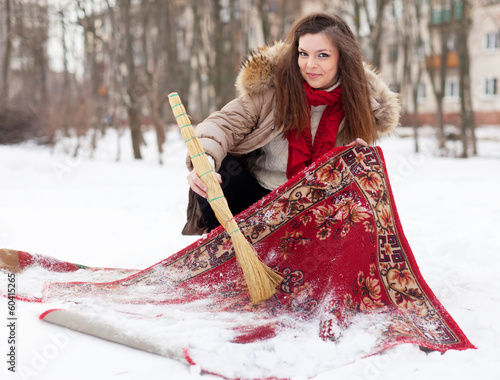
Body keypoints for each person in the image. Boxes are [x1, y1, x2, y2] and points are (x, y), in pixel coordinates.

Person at [183, 12, 400, 235]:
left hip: (317, 210)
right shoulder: (273, 90)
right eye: (303, 54)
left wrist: (357, 164)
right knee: (218, 170)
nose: (310, 65)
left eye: (323, 55)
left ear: (342, 58)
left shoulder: (361, 105)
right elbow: (223, 124)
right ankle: (227, 253)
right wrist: (205, 160)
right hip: (257, 200)